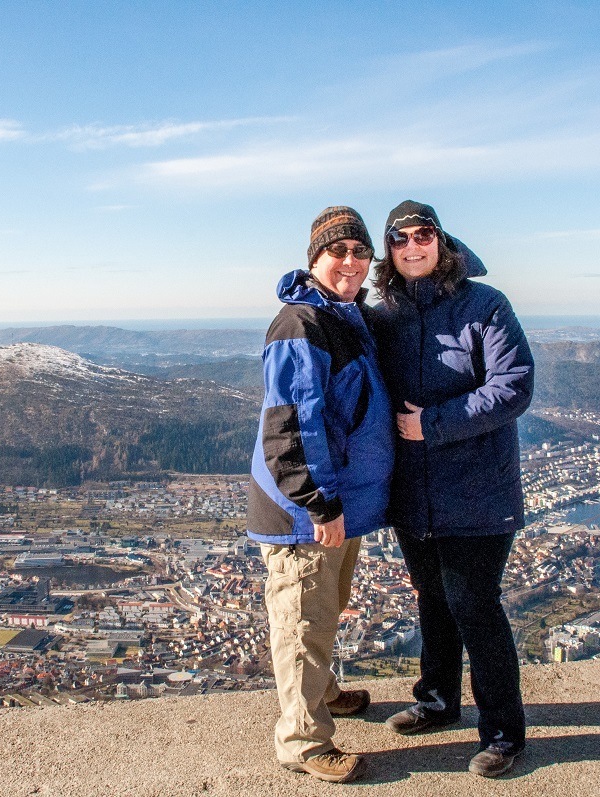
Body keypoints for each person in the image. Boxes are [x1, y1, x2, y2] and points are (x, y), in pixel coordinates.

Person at [367, 200, 534, 778]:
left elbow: (514, 386)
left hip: (479, 491)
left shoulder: (484, 305)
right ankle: (438, 701)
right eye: (400, 238)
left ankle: (503, 733)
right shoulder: (384, 313)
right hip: (415, 493)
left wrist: (429, 423)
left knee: (475, 606)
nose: (413, 247)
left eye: (423, 236)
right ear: (388, 250)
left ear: (441, 241)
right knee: (432, 598)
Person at [246, 206, 394, 784]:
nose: (352, 263)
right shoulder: (302, 323)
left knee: (324, 607)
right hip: (308, 509)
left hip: (340, 501)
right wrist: (318, 502)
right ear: (315, 260)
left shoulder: (344, 316)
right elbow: (290, 424)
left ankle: (325, 693)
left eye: (361, 252)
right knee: (302, 621)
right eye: (340, 252)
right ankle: (303, 743)